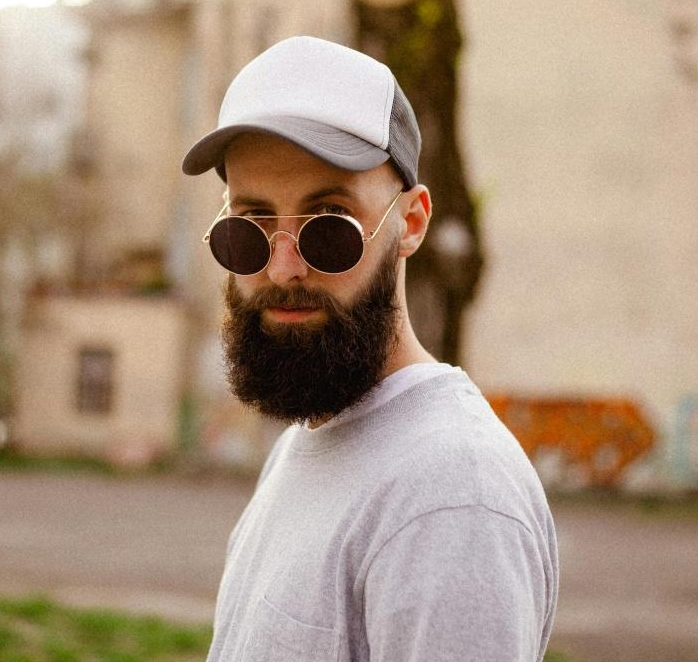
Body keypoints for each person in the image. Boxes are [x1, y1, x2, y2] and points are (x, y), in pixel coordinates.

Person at [182, 36, 558, 662]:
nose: (282, 269)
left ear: (410, 222)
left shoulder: (450, 496)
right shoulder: (309, 439)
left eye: (329, 225)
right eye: (248, 227)